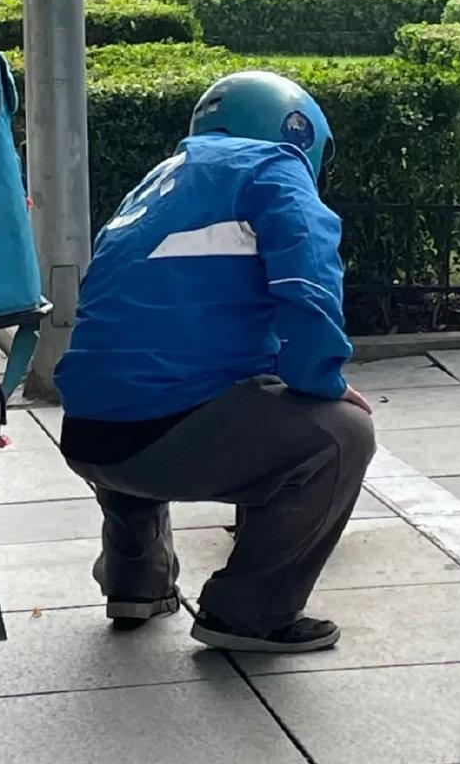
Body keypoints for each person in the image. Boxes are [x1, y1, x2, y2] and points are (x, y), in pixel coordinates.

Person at [55, 70, 376, 655]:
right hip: (161, 435)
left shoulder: (158, 183)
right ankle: (249, 614)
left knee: (148, 383)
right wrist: (323, 382)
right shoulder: (273, 168)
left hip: (86, 435)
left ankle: (137, 583)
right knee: (342, 436)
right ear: (299, 131)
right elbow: (309, 287)